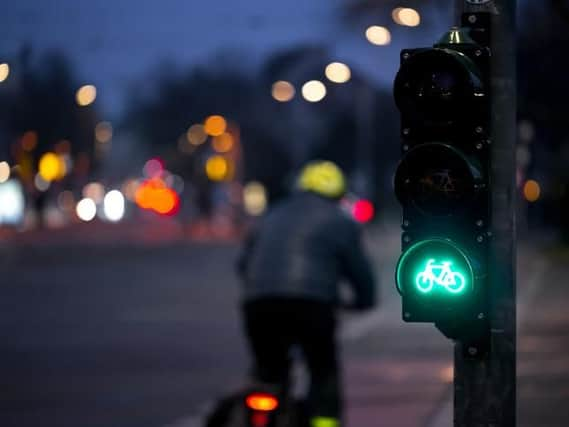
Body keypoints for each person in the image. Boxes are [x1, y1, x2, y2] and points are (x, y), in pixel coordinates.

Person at [236, 160, 377, 427]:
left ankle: (259, 414)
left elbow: (243, 264)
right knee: (323, 371)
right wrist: (364, 301)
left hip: (259, 304)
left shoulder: (273, 214)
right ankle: (324, 422)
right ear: (338, 194)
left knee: (268, 370)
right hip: (313, 306)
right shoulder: (341, 220)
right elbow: (359, 271)